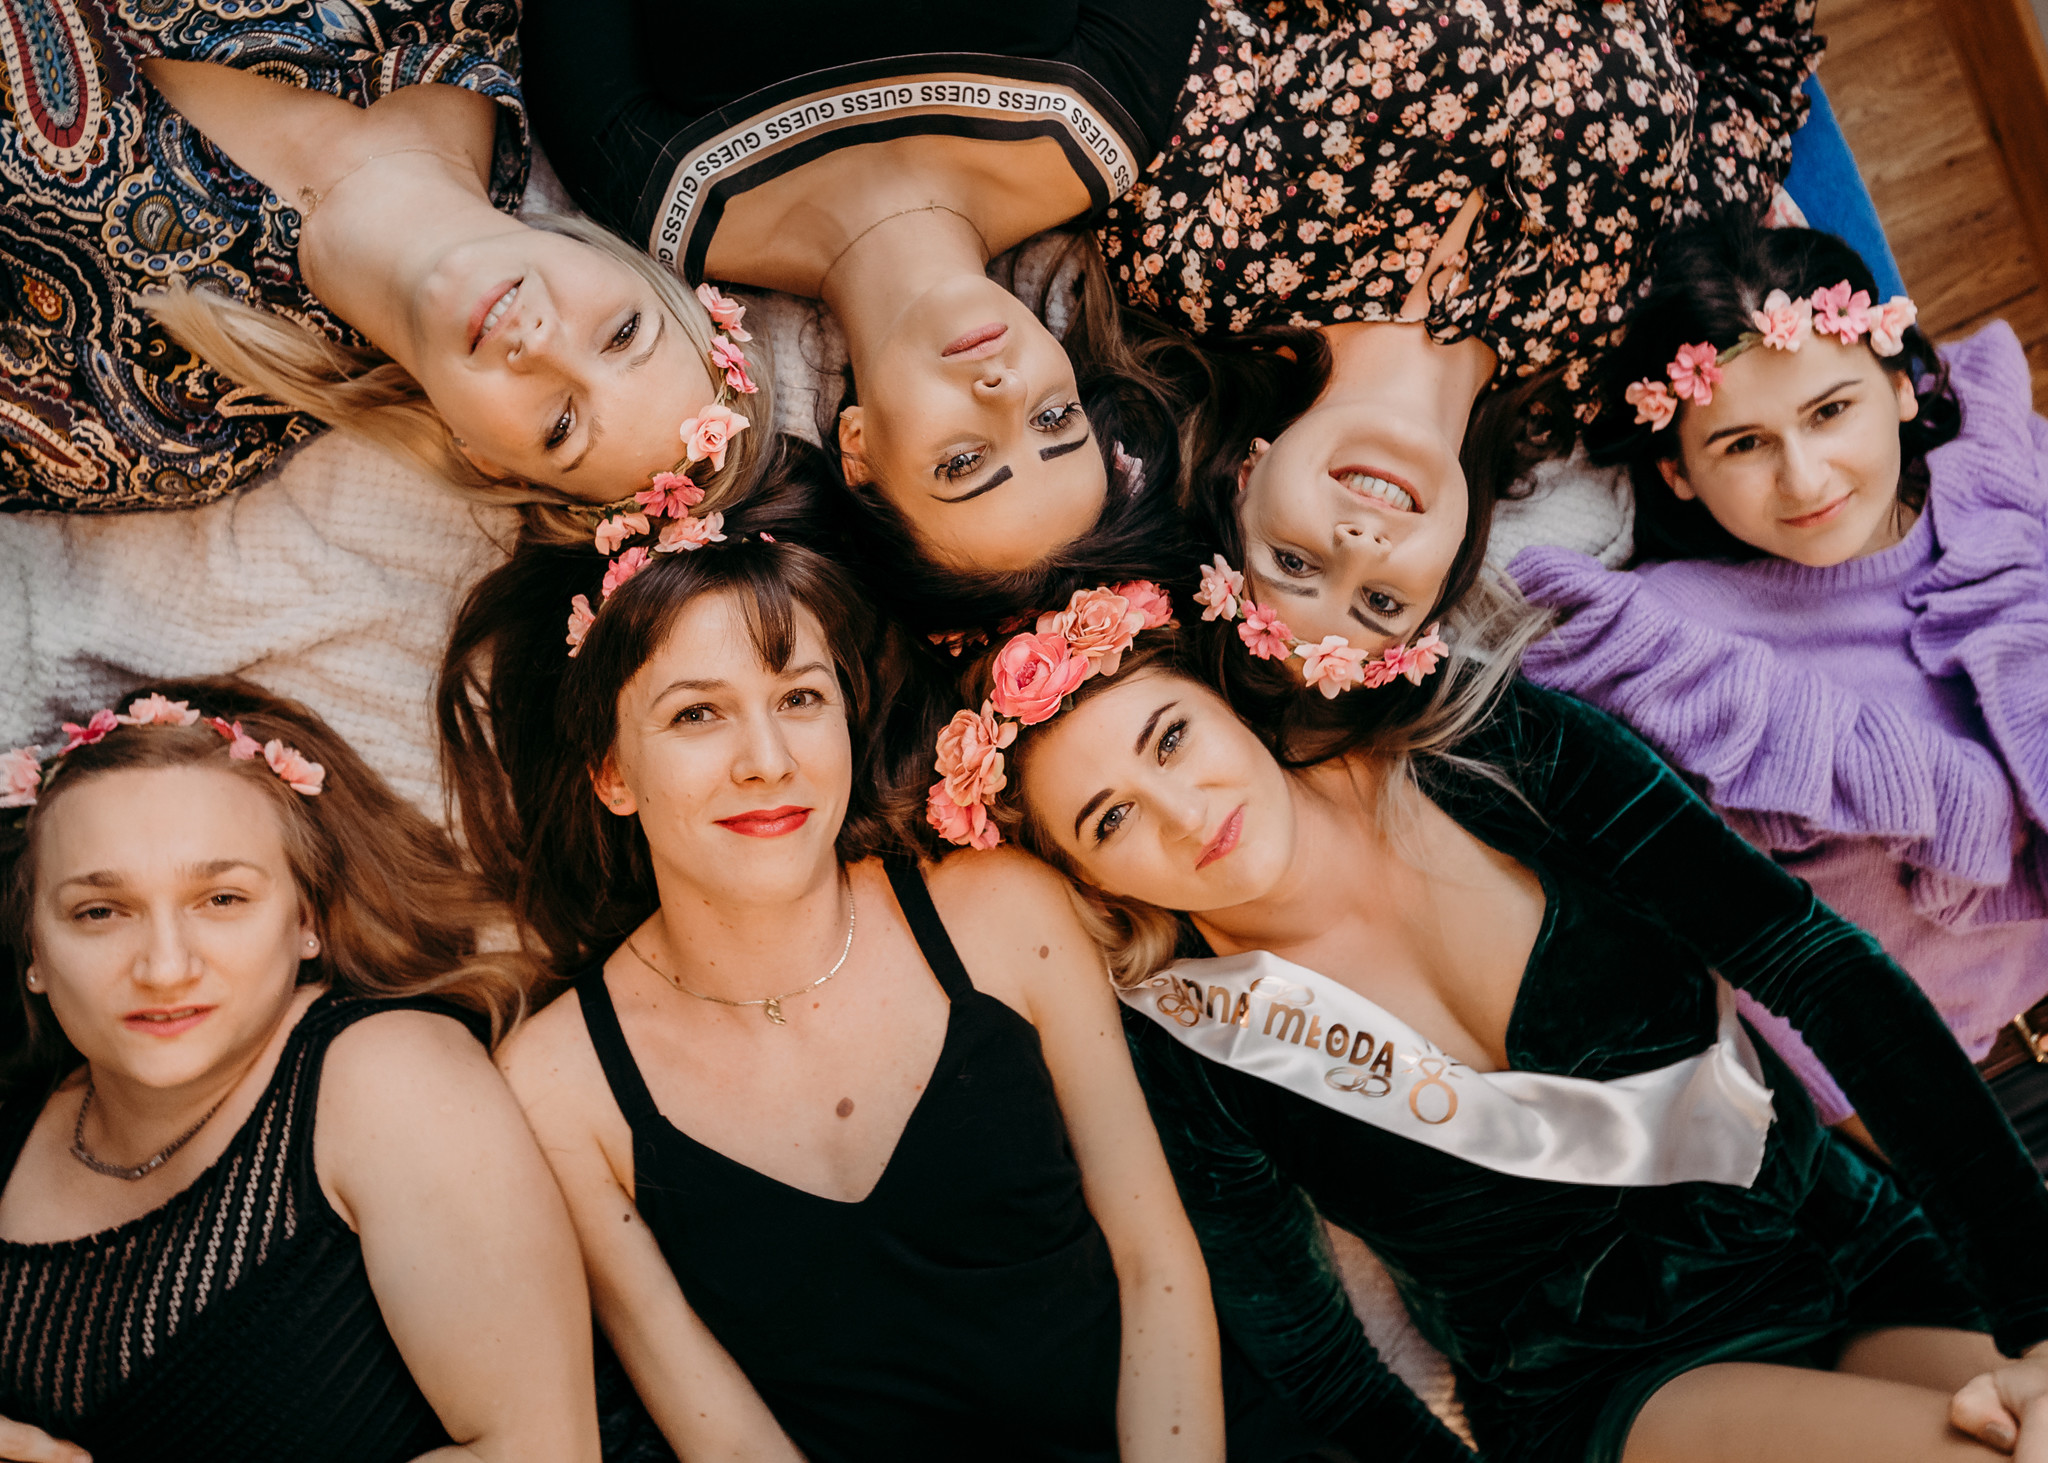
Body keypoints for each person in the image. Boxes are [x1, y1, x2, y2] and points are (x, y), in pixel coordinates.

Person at [911, 591, 2048, 1463]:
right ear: (1089, 879)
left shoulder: (1488, 745)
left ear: (1229, 696)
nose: (1181, 813)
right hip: (1624, 1381)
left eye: (1169, 738)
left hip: (1848, 1239)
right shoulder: (1186, 1041)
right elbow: (1315, 1354)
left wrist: (2036, 1307)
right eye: (1109, 818)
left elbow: (1817, 967)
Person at [520, 0, 1817, 631]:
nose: (1357, 538)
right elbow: (1756, 87)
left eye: (967, 459)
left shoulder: (1178, 228)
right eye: (1378, 597)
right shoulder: (1627, 347)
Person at [437, 464, 1250, 1461]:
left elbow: (1154, 1257)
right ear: (611, 771)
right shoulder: (562, 1085)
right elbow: (725, 1438)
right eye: (697, 713)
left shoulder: (999, 917)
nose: (767, 758)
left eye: (800, 697)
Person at [1508, 217, 2048, 1160]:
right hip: (1942, 1126)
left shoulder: (2005, 486)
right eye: (1743, 443)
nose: (1804, 477)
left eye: (1830, 411)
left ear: (1899, 386)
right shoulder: (1672, 648)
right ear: (1677, 470)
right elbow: (1734, 956)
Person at [0, 678, 598, 1463]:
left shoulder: (386, 1076)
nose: (165, 967)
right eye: (100, 912)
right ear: (35, 949)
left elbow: (541, 1451)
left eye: (221, 898)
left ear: (306, 918)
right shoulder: (17, 1113)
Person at [1, 0, 764, 517]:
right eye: (623, 332)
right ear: (623, 260)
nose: (542, 346)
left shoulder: (168, 426)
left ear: (486, 460)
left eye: (561, 426)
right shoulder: (456, 16)